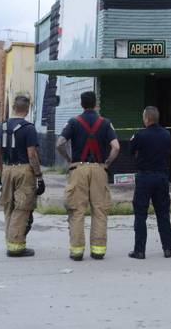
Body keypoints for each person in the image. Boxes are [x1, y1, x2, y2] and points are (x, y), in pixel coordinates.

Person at [56, 91, 120, 261]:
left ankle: (77, 252)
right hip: (99, 169)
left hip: (79, 168)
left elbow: (60, 143)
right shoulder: (105, 123)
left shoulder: (73, 122)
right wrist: (107, 163)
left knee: (77, 210)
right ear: (96, 104)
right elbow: (116, 147)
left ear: (81, 104)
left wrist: (69, 160)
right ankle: (98, 251)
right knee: (99, 210)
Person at [0, 95, 44, 257]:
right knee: (22, 207)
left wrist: (1, 173)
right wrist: (39, 175)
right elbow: (32, 154)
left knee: (8, 206)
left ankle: (10, 240)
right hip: (24, 170)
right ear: (27, 109)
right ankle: (16, 246)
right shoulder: (28, 128)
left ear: (13, 108)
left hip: (7, 168)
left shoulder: (1, 127)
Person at [128, 106, 171, 259]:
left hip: (144, 178)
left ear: (146, 119)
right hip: (161, 178)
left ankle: (139, 251)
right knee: (163, 214)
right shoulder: (167, 134)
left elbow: (130, 150)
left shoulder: (140, 135)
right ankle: (167, 249)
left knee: (141, 215)